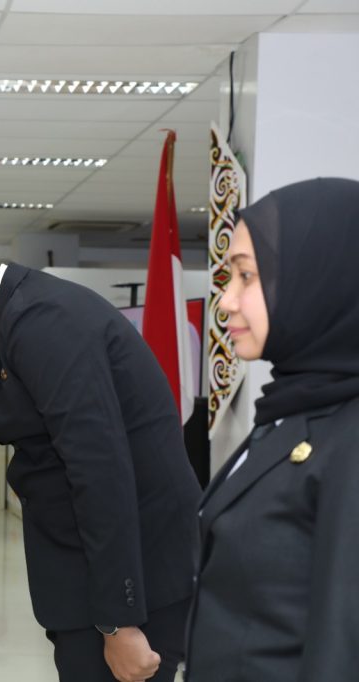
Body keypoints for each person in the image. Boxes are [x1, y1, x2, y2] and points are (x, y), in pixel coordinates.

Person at [0, 236, 202, 682]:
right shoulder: (22, 314)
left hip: (135, 584)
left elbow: (99, 471)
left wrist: (118, 621)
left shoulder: (43, 323)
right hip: (102, 576)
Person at [185, 178, 359, 681]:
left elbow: (342, 648)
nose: (225, 302)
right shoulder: (291, 409)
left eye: (247, 277)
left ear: (320, 281)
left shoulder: (348, 438)